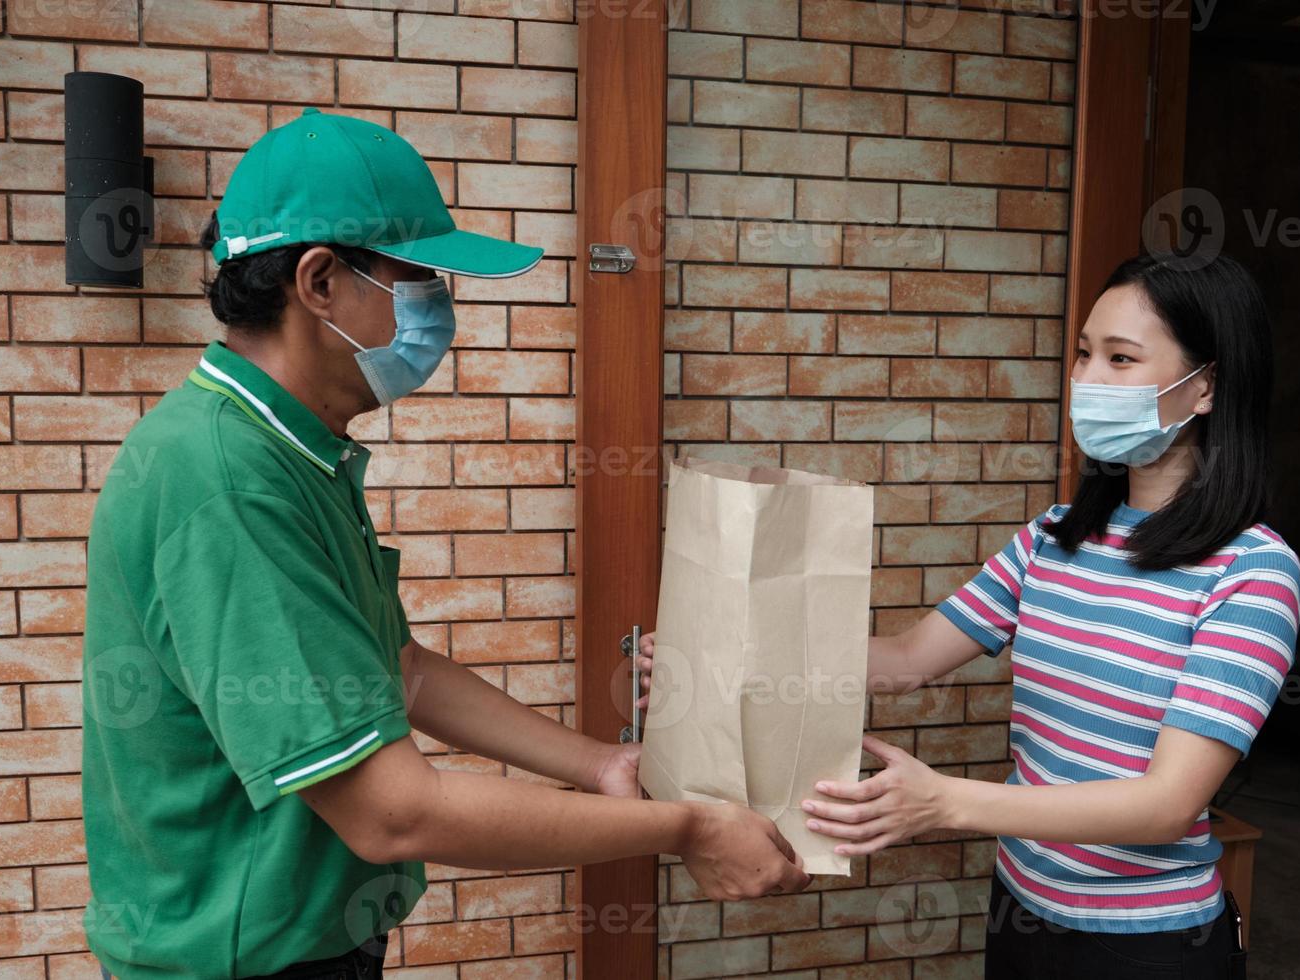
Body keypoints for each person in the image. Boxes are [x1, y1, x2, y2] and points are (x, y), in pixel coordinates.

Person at [82, 108, 807, 980]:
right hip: (240, 963)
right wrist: (688, 826)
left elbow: (398, 669)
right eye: (417, 275)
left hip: (302, 944)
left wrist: (600, 765)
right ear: (319, 283)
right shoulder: (227, 481)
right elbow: (393, 812)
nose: (439, 306)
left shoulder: (292, 450)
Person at [640, 253, 1300, 979]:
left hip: (1147, 944)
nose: (1087, 380)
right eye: (1084, 354)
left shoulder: (1252, 571)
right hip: (1020, 909)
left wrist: (945, 802)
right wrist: (725, 649)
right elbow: (904, 663)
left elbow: (1167, 805)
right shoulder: (1053, 538)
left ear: (1204, 386)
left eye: (1121, 359)